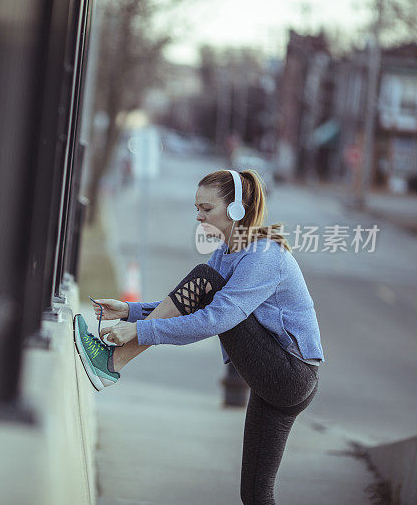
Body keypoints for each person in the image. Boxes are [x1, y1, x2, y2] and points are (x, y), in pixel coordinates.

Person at [74, 169, 324, 505]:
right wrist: (130, 311)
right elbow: (188, 304)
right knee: (254, 494)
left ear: (236, 209)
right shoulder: (228, 252)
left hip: (289, 374)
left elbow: (214, 320)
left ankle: (112, 361)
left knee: (204, 279)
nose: (198, 215)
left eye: (206, 208)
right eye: (197, 207)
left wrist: (140, 329)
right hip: (276, 377)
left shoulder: (265, 257)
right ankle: (111, 362)